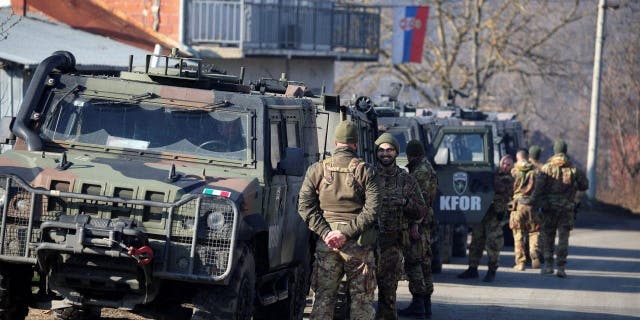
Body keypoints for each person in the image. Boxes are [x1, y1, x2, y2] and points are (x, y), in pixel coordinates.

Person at [298, 120, 380, 319]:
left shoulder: (317, 169)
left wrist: (327, 233)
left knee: (324, 298)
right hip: (359, 245)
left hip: (327, 245)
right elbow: (372, 210)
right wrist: (345, 233)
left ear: (335, 143)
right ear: (355, 144)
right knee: (361, 299)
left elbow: (305, 206)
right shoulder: (366, 171)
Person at [373, 133, 425, 320]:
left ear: (396, 152)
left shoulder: (406, 179)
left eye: (389, 150)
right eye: (381, 150)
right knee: (359, 295)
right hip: (367, 245)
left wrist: (405, 202)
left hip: (392, 246)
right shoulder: (367, 175)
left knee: (388, 295)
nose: (385, 154)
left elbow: (421, 210)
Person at [532, 139, 588, 278]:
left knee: (548, 236)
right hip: (566, 209)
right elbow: (584, 186)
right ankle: (561, 267)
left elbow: (538, 189)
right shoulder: (574, 170)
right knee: (563, 238)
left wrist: (533, 203)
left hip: (548, 208)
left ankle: (549, 266)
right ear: (565, 151)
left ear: (555, 151)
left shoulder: (546, 168)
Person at [458, 155, 514, 282]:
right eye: (504, 163)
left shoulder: (508, 178)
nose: (505, 166)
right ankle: (472, 268)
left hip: (495, 214)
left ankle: (491, 270)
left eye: (508, 164)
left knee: (493, 242)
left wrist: (487, 179)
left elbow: (500, 188)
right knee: (476, 241)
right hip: (482, 211)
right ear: (500, 163)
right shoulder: (492, 173)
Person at [398, 140, 437, 319]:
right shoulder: (427, 167)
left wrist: (415, 223)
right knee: (425, 262)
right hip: (426, 222)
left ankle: (419, 305)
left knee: (414, 262)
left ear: (411, 154)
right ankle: (425, 306)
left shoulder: (420, 171)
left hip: (418, 223)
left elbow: (421, 200)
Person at [509, 149, 541, 271]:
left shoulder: (513, 171)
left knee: (518, 234)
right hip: (532, 206)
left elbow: (508, 187)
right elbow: (540, 188)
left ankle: (520, 263)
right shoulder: (535, 171)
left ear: (517, 158)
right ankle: (534, 251)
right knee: (534, 232)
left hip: (517, 206)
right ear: (527, 157)